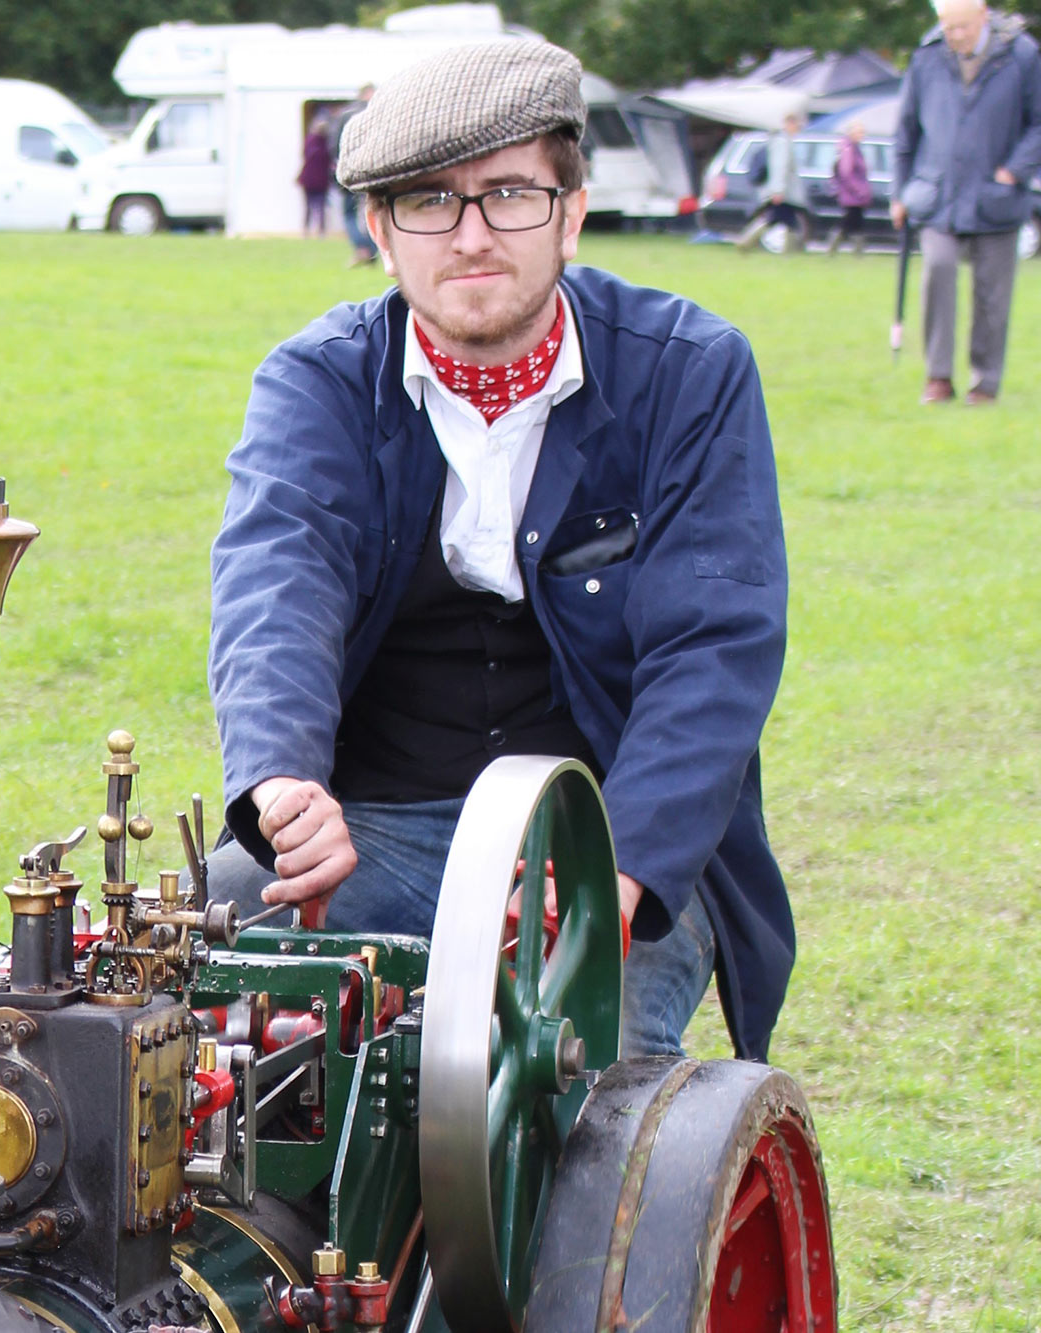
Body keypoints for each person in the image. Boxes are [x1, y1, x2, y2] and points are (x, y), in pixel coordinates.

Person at [205, 41, 793, 1062]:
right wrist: (283, 787)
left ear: (569, 211)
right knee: (194, 1035)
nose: (470, 235)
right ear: (381, 236)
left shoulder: (693, 374)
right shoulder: (318, 382)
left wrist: (617, 873)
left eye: (508, 194)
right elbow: (274, 578)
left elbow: (713, 647)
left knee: (579, 1111)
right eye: (429, 202)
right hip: (372, 831)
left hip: (601, 838)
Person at [893, 0, 1041, 406]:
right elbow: (905, 131)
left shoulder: (1022, 55)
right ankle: (938, 377)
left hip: (997, 197)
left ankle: (984, 383)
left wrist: (1014, 170)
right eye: (947, 27)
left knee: (993, 295)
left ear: (983, 16)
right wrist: (899, 192)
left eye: (961, 27)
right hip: (937, 195)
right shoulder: (926, 57)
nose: (953, 36)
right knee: (937, 271)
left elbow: (1038, 123)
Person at [736, 111, 810, 253]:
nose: (798, 129)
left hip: (785, 192)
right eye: (797, 125)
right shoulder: (782, 142)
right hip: (783, 192)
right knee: (780, 220)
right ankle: (746, 242)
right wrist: (778, 190)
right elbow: (779, 167)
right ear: (789, 124)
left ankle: (787, 251)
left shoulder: (783, 140)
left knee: (784, 220)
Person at [331, 84, 377, 264]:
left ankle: (362, 249)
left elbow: (335, 146)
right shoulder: (379, 114)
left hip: (351, 172)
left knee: (350, 214)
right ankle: (370, 251)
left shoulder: (346, 115)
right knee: (373, 212)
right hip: (373, 172)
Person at [827, 119, 873, 255]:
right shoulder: (849, 149)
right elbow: (846, 172)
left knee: (855, 223)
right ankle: (833, 249)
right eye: (859, 132)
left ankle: (858, 252)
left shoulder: (856, 148)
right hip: (852, 194)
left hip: (856, 195)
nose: (862, 134)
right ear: (851, 133)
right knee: (849, 222)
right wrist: (859, 190)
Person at [299, 116, 333, 238]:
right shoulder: (326, 145)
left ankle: (307, 230)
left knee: (309, 206)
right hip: (321, 180)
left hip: (309, 180)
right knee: (320, 206)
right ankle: (320, 231)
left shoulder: (309, 142)